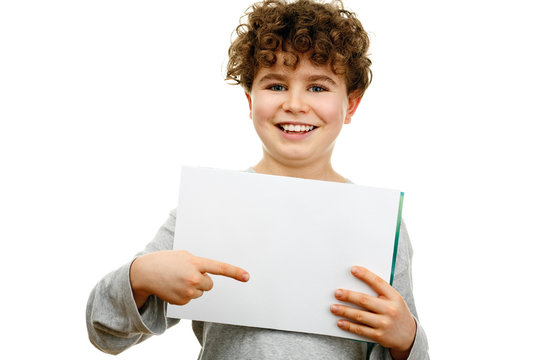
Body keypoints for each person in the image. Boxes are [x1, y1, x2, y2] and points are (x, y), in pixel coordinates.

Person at [86, 0, 429, 359]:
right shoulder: (210, 208)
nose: (295, 104)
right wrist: (140, 276)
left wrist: (406, 340)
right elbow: (104, 330)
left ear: (352, 105)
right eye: (277, 86)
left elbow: (407, 349)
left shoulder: (380, 225)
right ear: (250, 100)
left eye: (318, 87)